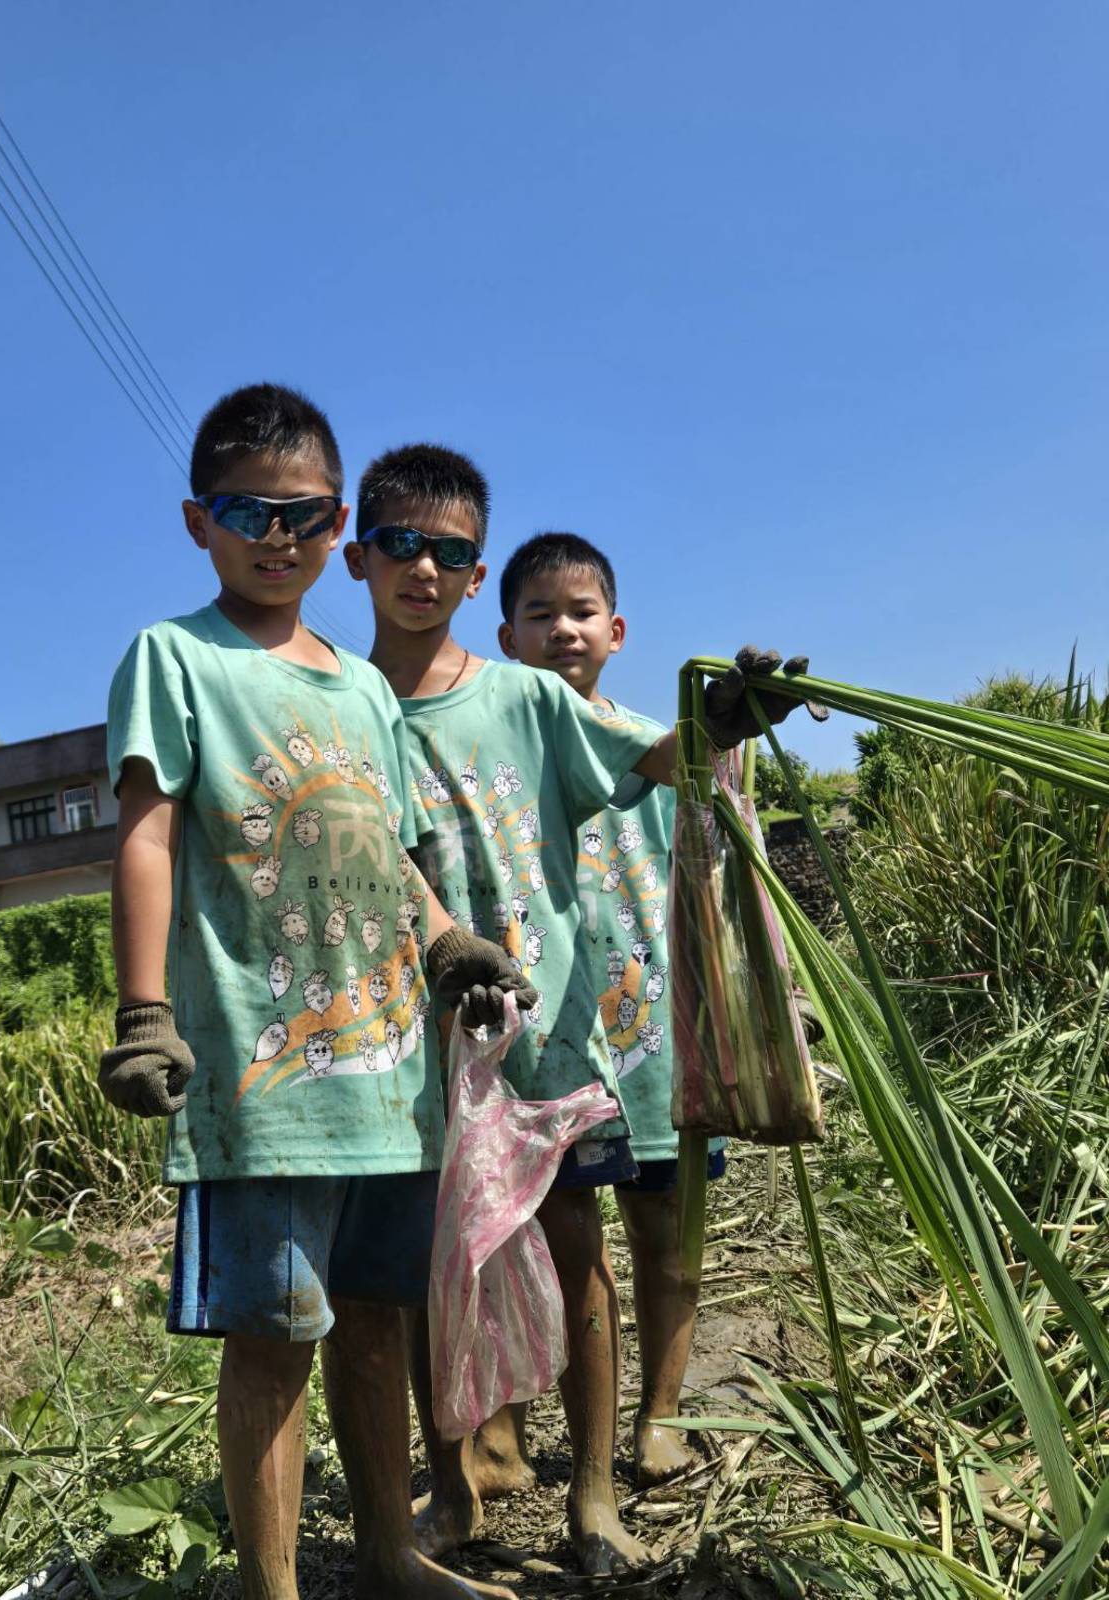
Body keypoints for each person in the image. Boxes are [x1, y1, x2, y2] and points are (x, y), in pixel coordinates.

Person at [344, 444, 814, 1577]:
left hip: (548, 1034)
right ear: (357, 556)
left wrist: (726, 719)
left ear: (474, 571)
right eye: (402, 542)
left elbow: (655, 754)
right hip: (411, 1048)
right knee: (426, 1273)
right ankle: (457, 1490)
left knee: (578, 1252)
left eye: (451, 549)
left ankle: (594, 1495)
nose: (425, 566)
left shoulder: (527, 696)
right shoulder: (345, 707)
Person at [99, 383, 531, 1600]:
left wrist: (450, 943)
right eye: (248, 511)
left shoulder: (361, 689)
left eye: (301, 516)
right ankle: (274, 1588)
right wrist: (144, 1011)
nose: (276, 538)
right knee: (275, 1337)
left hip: (388, 1076)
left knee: (380, 1318)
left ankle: (392, 1554)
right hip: (263, 1068)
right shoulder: (176, 657)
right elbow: (144, 833)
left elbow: (392, 851)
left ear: (337, 525)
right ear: (199, 521)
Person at [496, 530, 728, 1488]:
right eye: (538, 615)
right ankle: (507, 1427)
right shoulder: (502, 759)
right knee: (538, 1245)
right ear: (503, 638)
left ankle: (660, 1417)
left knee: (667, 1237)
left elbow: (723, 888)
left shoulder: (667, 755)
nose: (561, 630)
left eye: (580, 612)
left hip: (657, 1037)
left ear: (617, 630)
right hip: (551, 1043)